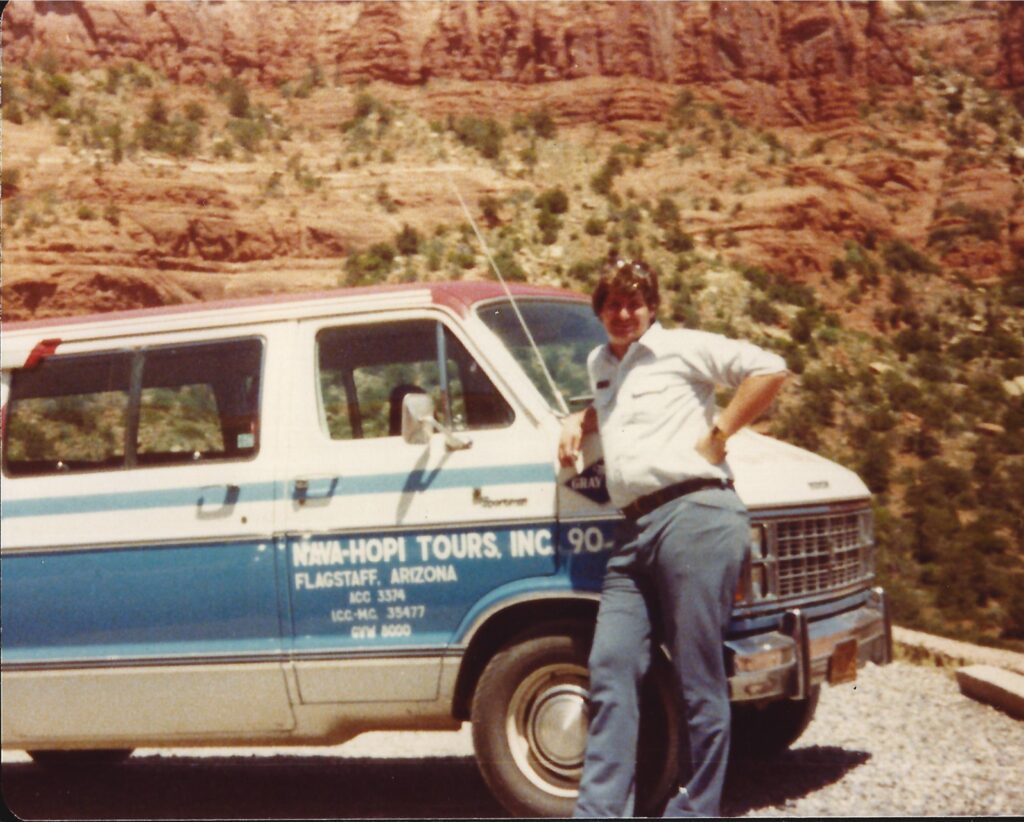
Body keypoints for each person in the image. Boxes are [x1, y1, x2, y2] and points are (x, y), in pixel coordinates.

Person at [558, 258, 788, 817]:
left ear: (653, 306)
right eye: (613, 302)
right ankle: (601, 811)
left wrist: (721, 431)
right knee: (611, 666)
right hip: (633, 530)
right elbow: (616, 403)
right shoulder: (599, 362)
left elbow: (770, 368)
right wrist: (581, 421)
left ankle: (694, 810)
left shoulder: (682, 348)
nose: (624, 312)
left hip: (696, 516)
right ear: (600, 309)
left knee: (696, 675)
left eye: (635, 302)